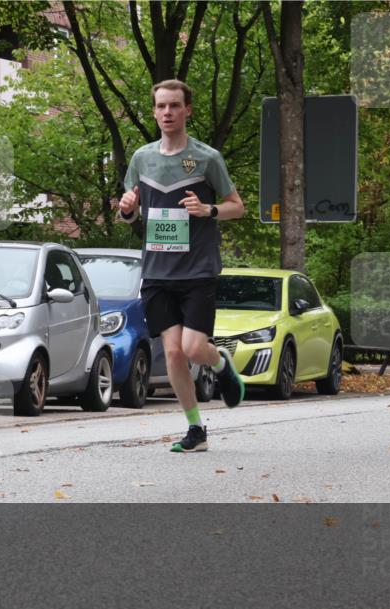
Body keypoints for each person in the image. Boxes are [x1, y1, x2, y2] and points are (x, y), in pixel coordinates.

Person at [118, 79, 246, 453]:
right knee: (173, 353)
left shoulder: (207, 158)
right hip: (157, 271)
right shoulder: (142, 158)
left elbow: (237, 206)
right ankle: (196, 430)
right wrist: (126, 209)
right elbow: (130, 212)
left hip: (197, 270)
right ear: (154, 111)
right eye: (161, 107)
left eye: (175, 106)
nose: (167, 113)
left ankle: (219, 363)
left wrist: (209, 210)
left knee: (192, 349)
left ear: (187, 110)